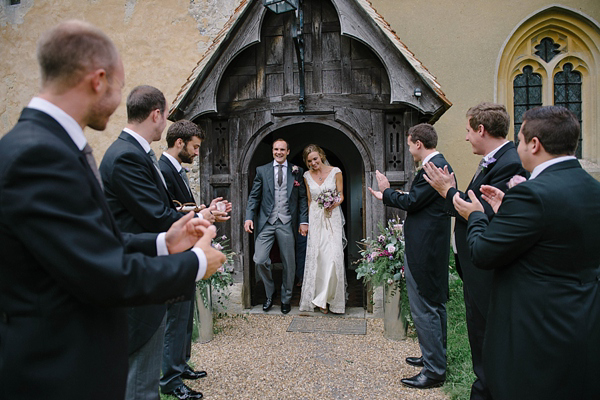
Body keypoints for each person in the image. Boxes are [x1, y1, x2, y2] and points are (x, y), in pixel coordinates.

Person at [0, 20, 226, 400]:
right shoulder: (39, 154)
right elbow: (102, 274)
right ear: (98, 80)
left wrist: (163, 242)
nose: (121, 100)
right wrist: (196, 264)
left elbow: (91, 241)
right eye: (119, 87)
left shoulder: (48, 144)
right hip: (57, 372)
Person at [452, 106, 600, 400]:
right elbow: (555, 236)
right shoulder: (593, 189)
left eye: (519, 140)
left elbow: (482, 252)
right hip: (583, 322)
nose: (517, 146)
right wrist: (508, 211)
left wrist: (478, 217)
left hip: (535, 328)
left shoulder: (531, 193)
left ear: (535, 144)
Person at [99, 86, 225, 400]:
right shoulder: (126, 155)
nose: (165, 121)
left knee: (143, 374)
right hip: (138, 272)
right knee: (140, 382)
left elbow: (161, 210)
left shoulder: (137, 152)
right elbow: (157, 215)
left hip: (147, 262)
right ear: (156, 114)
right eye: (165, 115)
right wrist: (200, 224)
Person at [422, 103, 526, 400]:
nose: (466, 137)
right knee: (479, 338)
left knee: (487, 339)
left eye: (468, 130)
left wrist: (448, 192)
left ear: (481, 130)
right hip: (474, 264)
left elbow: (487, 215)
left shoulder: (509, 163)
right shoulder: (493, 160)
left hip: (488, 268)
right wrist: (453, 192)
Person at [369, 124, 453, 389]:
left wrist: (386, 192)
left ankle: (435, 370)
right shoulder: (437, 164)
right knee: (435, 305)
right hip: (431, 246)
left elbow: (413, 203)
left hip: (424, 249)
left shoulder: (432, 167)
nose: (408, 149)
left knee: (424, 307)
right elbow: (421, 200)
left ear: (418, 143)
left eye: (408, 144)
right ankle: (433, 357)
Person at [158, 120, 229, 397]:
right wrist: (203, 215)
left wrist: (206, 210)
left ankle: (181, 363)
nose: (198, 152)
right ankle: (170, 380)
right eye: (195, 147)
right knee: (175, 318)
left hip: (185, 251)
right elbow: (166, 215)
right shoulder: (163, 171)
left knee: (185, 316)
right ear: (180, 143)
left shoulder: (177, 170)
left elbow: (184, 209)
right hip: (174, 254)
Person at [244, 139, 309, 314]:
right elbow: (254, 197)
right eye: (275, 149)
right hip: (267, 222)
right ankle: (269, 293)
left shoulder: (297, 171)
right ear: (272, 151)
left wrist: (304, 221)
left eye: (282, 149)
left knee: (289, 263)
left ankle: (286, 298)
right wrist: (249, 217)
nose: (278, 152)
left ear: (288, 151)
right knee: (259, 259)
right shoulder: (262, 170)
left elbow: (302, 198)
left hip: (287, 222)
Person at [299, 144, 346, 314]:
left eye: (315, 159)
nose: (313, 163)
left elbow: (341, 195)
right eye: (309, 161)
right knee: (318, 259)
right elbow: (310, 200)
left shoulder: (336, 171)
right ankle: (320, 299)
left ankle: (332, 298)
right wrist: (309, 222)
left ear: (321, 156)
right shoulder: (306, 176)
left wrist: (334, 203)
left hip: (332, 217)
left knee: (334, 257)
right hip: (316, 218)